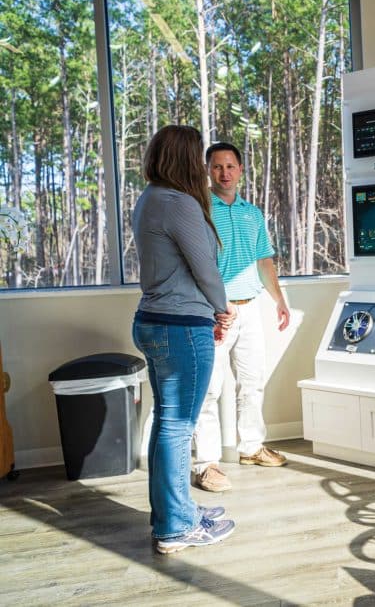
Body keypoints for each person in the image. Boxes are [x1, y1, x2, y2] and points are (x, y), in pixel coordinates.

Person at [131, 125, 237, 554]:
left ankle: (177, 513)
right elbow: (205, 268)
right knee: (178, 427)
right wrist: (222, 309)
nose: (202, 165)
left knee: (167, 424)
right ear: (185, 159)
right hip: (179, 327)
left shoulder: (150, 198)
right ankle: (176, 528)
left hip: (155, 321)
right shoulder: (179, 203)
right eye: (197, 156)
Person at [192, 141, 290, 492]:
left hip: (250, 308)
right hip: (215, 313)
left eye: (231, 166)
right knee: (209, 390)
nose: (224, 173)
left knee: (252, 382)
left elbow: (264, 260)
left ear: (241, 170)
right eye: (217, 167)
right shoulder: (200, 208)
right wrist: (216, 306)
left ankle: (250, 448)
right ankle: (206, 463)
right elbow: (198, 263)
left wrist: (279, 300)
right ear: (208, 170)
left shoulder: (252, 213)